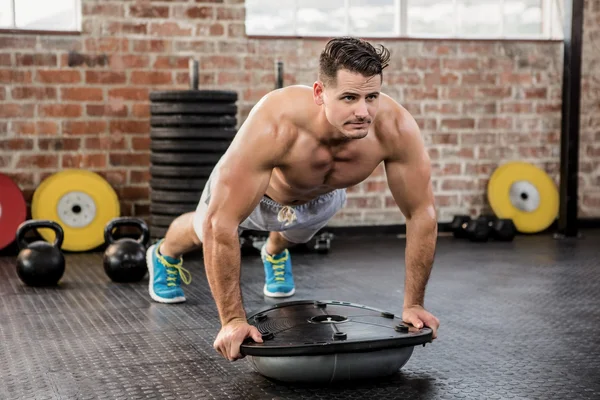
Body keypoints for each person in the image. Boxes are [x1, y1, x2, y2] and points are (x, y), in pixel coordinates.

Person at [146, 36, 440, 361]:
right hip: (262, 198)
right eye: (349, 97)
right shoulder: (277, 123)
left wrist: (414, 304)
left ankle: (273, 252)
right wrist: (232, 320)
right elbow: (222, 222)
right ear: (319, 93)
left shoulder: (395, 128)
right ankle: (163, 254)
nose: (363, 111)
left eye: (372, 96)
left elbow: (421, 214)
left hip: (321, 200)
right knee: (202, 228)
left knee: (291, 236)